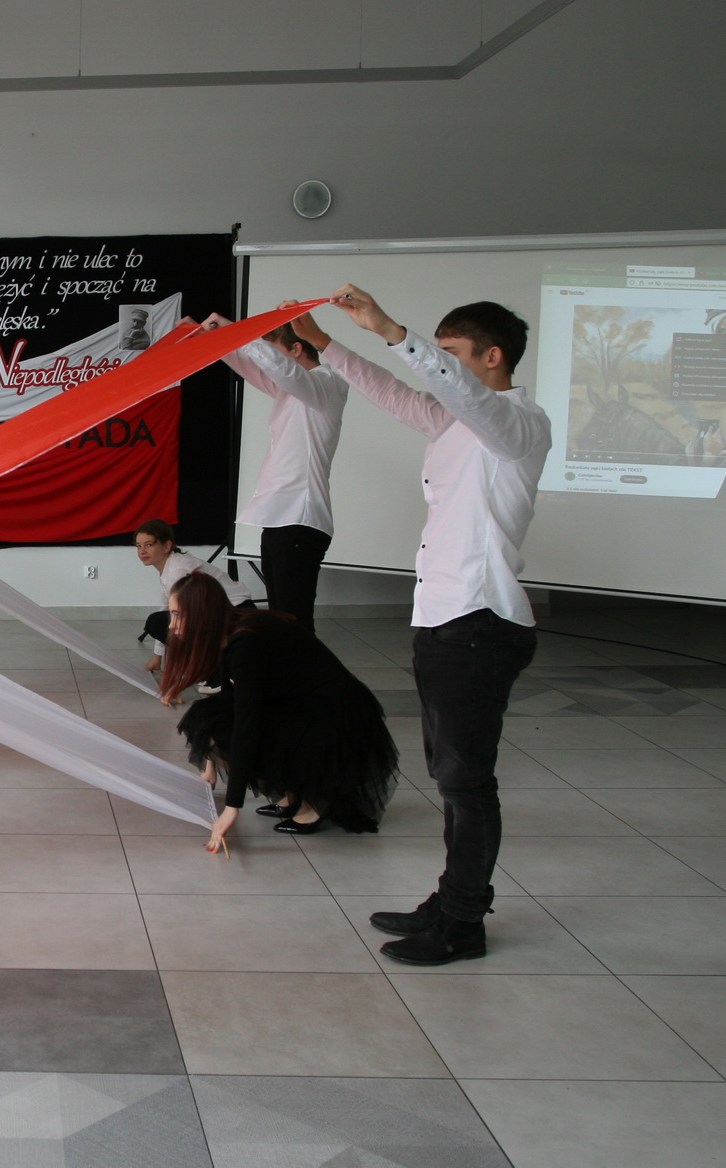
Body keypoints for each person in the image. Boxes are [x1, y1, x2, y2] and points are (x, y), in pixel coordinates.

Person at [290, 288, 550, 966]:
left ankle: (463, 923)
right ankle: (451, 899)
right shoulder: (456, 423)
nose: (442, 366)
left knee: (467, 784)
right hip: (444, 619)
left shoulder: (519, 424)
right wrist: (325, 344)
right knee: (452, 779)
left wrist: (389, 329)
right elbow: (391, 393)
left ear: (493, 358)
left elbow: (456, 392)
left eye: (453, 354)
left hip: (479, 623)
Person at [163, 573, 397, 851]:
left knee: (235, 730)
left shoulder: (246, 642)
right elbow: (229, 703)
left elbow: (246, 725)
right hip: (304, 705)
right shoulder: (234, 630)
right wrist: (209, 760)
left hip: (334, 718)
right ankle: (294, 794)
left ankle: (312, 803)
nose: (172, 625)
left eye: (178, 615)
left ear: (203, 614)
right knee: (208, 716)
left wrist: (232, 806)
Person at [197, 310, 349, 633]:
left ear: (296, 349)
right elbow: (252, 368)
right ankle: (287, 668)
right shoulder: (291, 391)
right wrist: (213, 339)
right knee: (282, 621)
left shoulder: (326, 384)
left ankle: (304, 668)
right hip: (281, 520)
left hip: (300, 521)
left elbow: (279, 368)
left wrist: (236, 331)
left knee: (294, 623)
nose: (270, 361)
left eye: (275, 350)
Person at [134, 519, 252, 677]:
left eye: (149, 545)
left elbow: (186, 616)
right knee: (159, 620)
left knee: (161, 622)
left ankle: (216, 674)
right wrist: (157, 656)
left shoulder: (178, 569)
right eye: (138, 546)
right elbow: (167, 607)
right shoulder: (170, 567)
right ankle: (212, 669)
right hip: (223, 612)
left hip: (236, 613)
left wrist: (176, 673)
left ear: (167, 546)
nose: (142, 551)